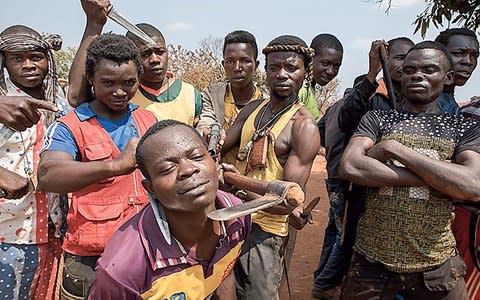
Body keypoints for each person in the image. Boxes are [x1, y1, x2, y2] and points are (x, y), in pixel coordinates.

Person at [339, 41, 480, 300]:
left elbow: (472, 185)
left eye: (429, 69)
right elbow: (350, 165)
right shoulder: (377, 119)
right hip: (372, 263)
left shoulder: (462, 128)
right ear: (400, 75)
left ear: (447, 77)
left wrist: (394, 150)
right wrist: (440, 178)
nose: (418, 75)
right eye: (410, 69)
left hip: (436, 266)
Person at [38, 33, 157, 299]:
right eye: (108, 83)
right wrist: (114, 166)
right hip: (91, 258)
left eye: (129, 82)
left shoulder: (148, 118)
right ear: (90, 79)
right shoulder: (70, 125)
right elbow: (48, 175)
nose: (119, 91)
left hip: (145, 248)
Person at [88, 119, 251, 299]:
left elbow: (223, 271)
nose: (188, 169)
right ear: (151, 188)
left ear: (214, 161)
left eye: (197, 157)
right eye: (167, 168)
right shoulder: (124, 269)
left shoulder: (237, 215)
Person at [312, 37, 414, 299]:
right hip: (350, 182)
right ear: (385, 61)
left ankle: (326, 278)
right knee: (347, 236)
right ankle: (324, 284)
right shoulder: (370, 98)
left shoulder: (405, 102)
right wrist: (372, 74)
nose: (406, 65)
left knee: (339, 230)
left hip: (364, 182)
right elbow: (343, 121)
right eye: (399, 58)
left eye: (410, 58)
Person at [222, 35, 320, 299]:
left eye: (291, 68)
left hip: (264, 233)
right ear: (265, 70)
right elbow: (218, 152)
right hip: (229, 220)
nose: (282, 74)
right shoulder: (253, 109)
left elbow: (286, 202)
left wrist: (238, 189)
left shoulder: (303, 127)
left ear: (305, 73)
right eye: (274, 67)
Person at [0, 24, 68, 300]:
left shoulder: (59, 100)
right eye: (17, 58)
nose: (28, 65)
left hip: (52, 231)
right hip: (7, 231)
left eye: (36, 57)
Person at [68, 0, 202, 126]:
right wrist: (94, 24)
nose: (155, 59)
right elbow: (76, 97)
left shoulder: (191, 94)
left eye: (160, 51)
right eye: (145, 54)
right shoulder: (121, 94)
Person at [197, 30, 265, 164]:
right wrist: (208, 133)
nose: (237, 68)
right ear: (223, 65)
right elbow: (205, 122)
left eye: (245, 61)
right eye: (230, 61)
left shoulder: (266, 102)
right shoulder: (212, 94)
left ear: (256, 65)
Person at [298, 33, 343, 120]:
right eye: (325, 63)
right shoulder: (301, 89)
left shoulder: (309, 89)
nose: (331, 71)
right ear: (310, 59)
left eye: (336, 66)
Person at [435, 28, 479, 116]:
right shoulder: (421, 104)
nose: (468, 61)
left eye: (474, 56)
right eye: (458, 53)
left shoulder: (451, 105)